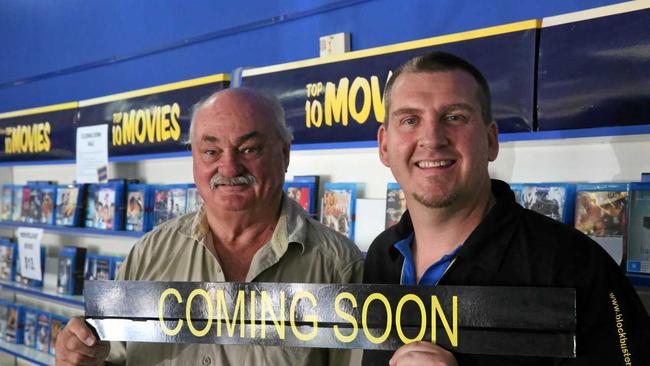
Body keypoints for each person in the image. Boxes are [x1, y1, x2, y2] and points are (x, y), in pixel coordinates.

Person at [363, 51, 650, 365]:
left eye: (455, 117)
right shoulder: (382, 256)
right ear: (385, 146)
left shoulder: (573, 266)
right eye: (410, 120)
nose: (432, 138)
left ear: (491, 140)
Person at [55, 88, 364, 366]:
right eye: (211, 151)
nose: (229, 167)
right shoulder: (149, 254)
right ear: (194, 158)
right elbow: (112, 359)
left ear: (284, 154)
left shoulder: (338, 266)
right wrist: (80, 357)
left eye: (249, 149)